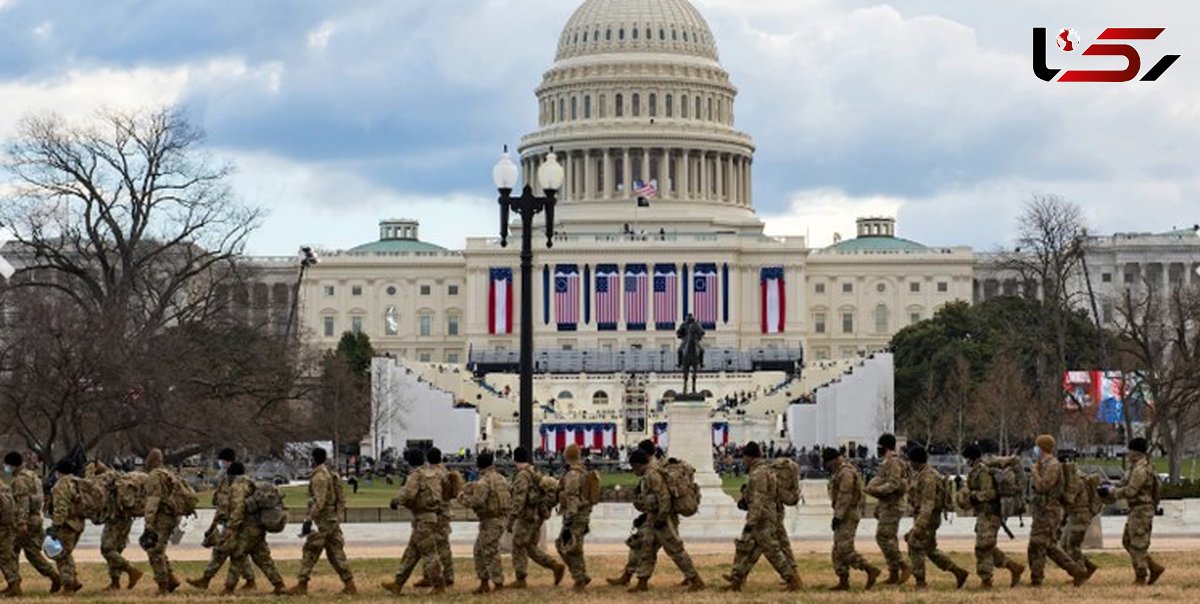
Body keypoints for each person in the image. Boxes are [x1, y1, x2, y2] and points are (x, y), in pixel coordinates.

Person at [723, 442, 803, 592]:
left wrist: (751, 521)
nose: (743, 461)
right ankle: (737, 580)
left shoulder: (759, 473)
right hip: (764, 516)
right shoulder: (763, 470)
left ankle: (792, 580)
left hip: (762, 518)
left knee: (772, 551)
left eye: (744, 458)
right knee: (748, 549)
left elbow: (758, 499)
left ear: (749, 457)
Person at [628, 449, 704, 592]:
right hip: (653, 517)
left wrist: (662, 517)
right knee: (647, 549)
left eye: (633, 467)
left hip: (663, 518)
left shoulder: (653, 475)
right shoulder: (648, 475)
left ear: (638, 465)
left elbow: (664, 497)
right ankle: (642, 581)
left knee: (675, 550)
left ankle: (695, 580)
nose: (633, 471)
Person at [287, 447, 356, 595]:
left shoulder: (319, 477)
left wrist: (308, 519)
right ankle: (349, 583)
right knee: (335, 552)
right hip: (330, 519)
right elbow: (340, 498)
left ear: (313, 459)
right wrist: (336, 516)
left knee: (311, 549)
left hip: (324, 520)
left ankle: (302, 584)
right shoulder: (329, 473)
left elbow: (319, 501)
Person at [958, 444, 1024, 588]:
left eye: (966, 458)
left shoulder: (982, 471)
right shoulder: (975, 471)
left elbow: (989, 493)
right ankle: (1013, 567)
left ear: (971, 458)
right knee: (987, 546)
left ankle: (986, 580)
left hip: (990, 513)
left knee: (982, 547)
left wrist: (972, 495)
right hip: (984, 513)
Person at [188, 448, 254, 591]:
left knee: (220, 551)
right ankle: (250, 580)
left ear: (226, 460)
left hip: (234, 523)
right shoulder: (227, 477)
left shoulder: (236, 479)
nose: (220, 463)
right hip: (228, 520)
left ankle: (206, 580)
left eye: (221, 460)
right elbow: (222, 500)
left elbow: (236, 505)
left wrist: (231, 526)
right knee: (237, 553)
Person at [382, 448, 445, 595]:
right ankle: (398, 583)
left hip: (423, 518)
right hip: (430, 517)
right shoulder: (433, 474)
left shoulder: (416, 476)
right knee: (411, 553)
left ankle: (438, 585)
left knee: (429, 554)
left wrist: (396, 501)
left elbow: (409, 494)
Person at [1028, 435, 1089, 587]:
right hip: (1043, 510)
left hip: (1050, 511)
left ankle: (1037, 578)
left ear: (1042, 448)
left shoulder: (1053, 465)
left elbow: (1044, 486)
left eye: (1037, 446)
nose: (1035, 449)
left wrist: (1034, 472)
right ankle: (1076, 571)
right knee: (1048, 546)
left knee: (1038, 543)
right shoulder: (1043, 464)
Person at [1103, 437, 1165, 585]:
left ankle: (1140, 576)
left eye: (1129, 450)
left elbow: (1130, 491)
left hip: (1142, 510)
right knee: (1127, 541)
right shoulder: (1133, 467)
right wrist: (1108, 485)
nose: (1127, 453)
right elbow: (1124, 483)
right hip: (1135, 510)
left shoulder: (1140, 470)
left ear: (1135, 452)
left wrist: (1113, 492)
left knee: (1138, 544)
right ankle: (1154, 567)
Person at [222, 462, 286, 595]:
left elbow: (238, 509)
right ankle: (279, 584)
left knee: (238, 555)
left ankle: (229, 588)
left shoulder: (238, 487)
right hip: (258, 527)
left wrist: (231, 527)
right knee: (263, 558)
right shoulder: (251, 483)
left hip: (247, 528)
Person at [508, 446, 566, 588]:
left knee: (518, 544)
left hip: (527, 516)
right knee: (529, 547)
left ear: (515, 459)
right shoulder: (534, 471)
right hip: (537, 515)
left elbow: (519, 499)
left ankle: (520, 578)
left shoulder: (522, 475)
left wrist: (511, 519)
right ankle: (555, 567)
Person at [4, 451, 61, 593]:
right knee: (24, 552)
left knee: (11, 552)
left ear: (12, 465)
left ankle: (15, 584)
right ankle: (15, 583)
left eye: (6, 465)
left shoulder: (19, 481)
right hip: (35, 518)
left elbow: (23, 503)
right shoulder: (33, 476)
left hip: (25, 522)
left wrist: (21, 522)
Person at [824, 447, 880, 591]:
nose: (827, 466)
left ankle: (869, 569)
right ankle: (843, 580)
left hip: (848, 514)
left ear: (834, 459)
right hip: (843, 513)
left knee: (844, 549)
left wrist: (838, 516)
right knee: (837, 549)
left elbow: (845, 496)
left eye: (828, 463)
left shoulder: (846, 473)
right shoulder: (840, 471)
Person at [607, 440, 658, 587]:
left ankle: (693, 577)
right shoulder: (650, 469)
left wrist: (649, 515)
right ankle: (628, 576)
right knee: (641, 545)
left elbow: (660, 497)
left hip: (659, 517)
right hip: (653, 516)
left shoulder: (652, 471)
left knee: (660, 549)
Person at [88, 462, 144, 591]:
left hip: (116, 519)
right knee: (115, 551)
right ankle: (115, 582)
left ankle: (131, 570)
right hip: (126, 518)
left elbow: (90, 485)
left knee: (107, 549)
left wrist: (89, 472)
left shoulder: (107, 478)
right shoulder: (118, 477)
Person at [457, 451, 509, 594]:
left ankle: (498, 584)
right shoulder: (501, 479)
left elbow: (477, 502)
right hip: (500, 518)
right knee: (479, 551)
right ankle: (484, 582)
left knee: (490, 552)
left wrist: (461, 497)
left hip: (490, 520)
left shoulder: (484, 482)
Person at [864, 433, 910, 585]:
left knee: (882, 537)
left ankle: (903, 565)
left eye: (879, 446)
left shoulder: (893, 463)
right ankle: (894, 573)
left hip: (893, 505)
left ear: (884, 447)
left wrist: (875, 491)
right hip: (887, 504)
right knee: (890, 538)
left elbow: (893, 484)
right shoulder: (887, 463)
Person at [141, 448, 183, 595]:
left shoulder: (154, 476)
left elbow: (153, 500)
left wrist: (148, 521)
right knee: (159, 549)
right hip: (171, 517)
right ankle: (171, 579)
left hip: (161, 518)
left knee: (154, 551)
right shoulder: (168, 473)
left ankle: (163, 586)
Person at [556, 444, 595, 592]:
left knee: (570, 547)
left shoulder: (573, 474)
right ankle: (581, 575)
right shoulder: (583, 471)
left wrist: (568, 521)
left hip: (575, 516)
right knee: (570, 546)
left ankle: (580, 579)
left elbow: (572, 497)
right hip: (582, 514)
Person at [48, 458, 86, 595]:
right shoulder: (77, 482)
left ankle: (68, 587)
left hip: (66, 525)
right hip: (78, 524)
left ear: (58, 471)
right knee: (67, 553)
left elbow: (61, 509)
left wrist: (55, 526)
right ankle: (75, 581)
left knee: (60, 556)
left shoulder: (61, 485)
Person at [1060, 456, 1100, 579]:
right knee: (1063, 545)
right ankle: (1088, 566)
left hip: (1080, 515)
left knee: (1072, 545)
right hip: (1074, 515)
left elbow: (1069, 498)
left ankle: (1081, 572)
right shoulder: (1073, 477)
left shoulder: (1075, 480)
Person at [0, 468, 20, 597]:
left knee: (5, 557)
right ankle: (14, 584)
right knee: (7, 557)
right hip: (8, 527)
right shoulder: (6, 488)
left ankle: (14, 586)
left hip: (2, 528)